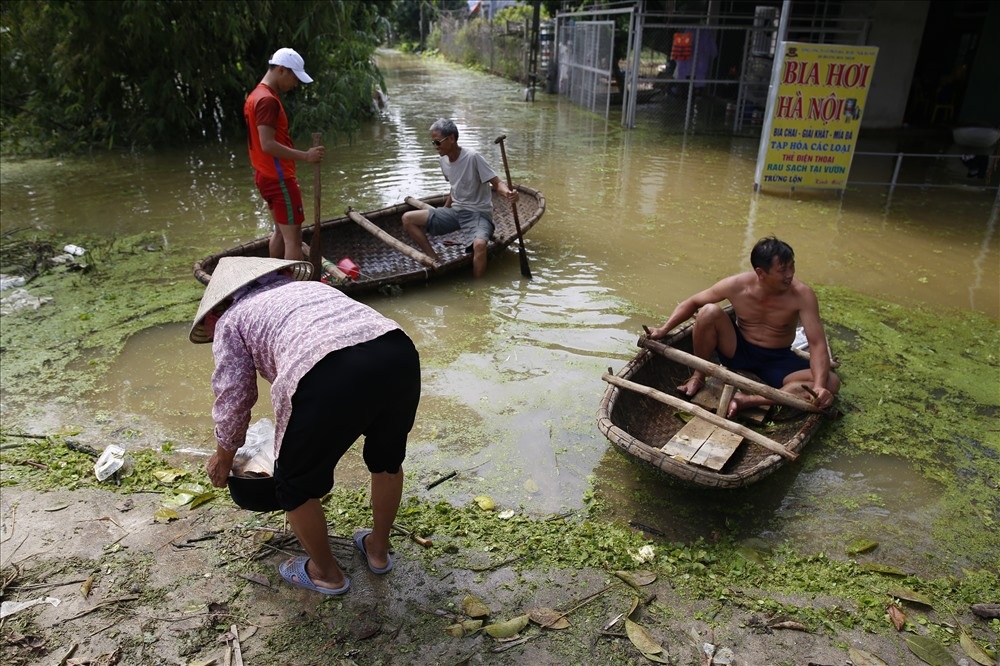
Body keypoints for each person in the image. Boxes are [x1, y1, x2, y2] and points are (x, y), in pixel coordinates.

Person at [190, 257, 421, 595]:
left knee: (293, 485)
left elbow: (234, 398)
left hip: (325, 370)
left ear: (219, 306)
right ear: (276, 274)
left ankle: (326, 574)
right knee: (386, 460)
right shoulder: (311, 287)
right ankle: (378, 550)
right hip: (396, 351)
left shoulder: (232, 319)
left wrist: (224, 459)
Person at [647, 236, 839, 417]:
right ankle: (698, 376)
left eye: (792, 266)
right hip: (737, 350)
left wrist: (820, 386)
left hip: (777, 361)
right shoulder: (737, 285)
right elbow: (692, 302)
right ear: (760, 273)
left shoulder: (802, 295)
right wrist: (664, 329)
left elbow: (817, 344)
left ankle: (749, 400)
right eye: (782, 270)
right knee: (708, 311)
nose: (790, 274)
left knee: (832, 382)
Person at [401, 118, 518, 279]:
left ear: (451, 139)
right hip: (456, 212)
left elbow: (497, 183)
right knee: (408, 219)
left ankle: (478, 289)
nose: (435, 147)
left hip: (479, 214)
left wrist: (508, 194)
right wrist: (445, 208)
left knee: (480, 245)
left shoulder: (473, 157)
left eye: (437, 142)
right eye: (433, 143)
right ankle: (434, 260)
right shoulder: (443, 161)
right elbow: (455, 187)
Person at [244, 48, 325, 261]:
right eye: (294, 78)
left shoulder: (256, 95)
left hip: (265, 175)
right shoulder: (267, 100)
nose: (295, 84)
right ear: (282, 70)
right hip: (278, 177)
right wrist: (306, 156)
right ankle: (293, 289)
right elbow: (267, 144)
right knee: (293, 240)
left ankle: (277, 279)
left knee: (280, 232)